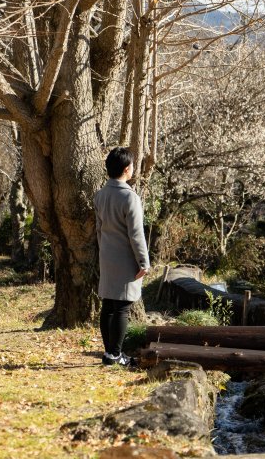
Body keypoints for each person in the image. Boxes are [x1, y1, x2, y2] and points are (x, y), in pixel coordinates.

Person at [94, 147, 150, 366]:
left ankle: (109, 354)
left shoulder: (100, 195)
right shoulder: (130, 197)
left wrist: (104, 251)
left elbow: (99, 230)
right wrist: (144, 262)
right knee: (122, 307)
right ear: (127, 169)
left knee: (108, 304)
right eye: (133, 165)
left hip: (106, 255)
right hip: (126, 258)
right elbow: (136, 235)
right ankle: (115, 355)